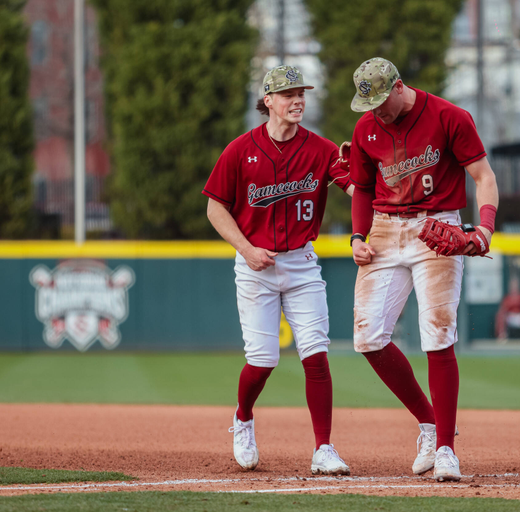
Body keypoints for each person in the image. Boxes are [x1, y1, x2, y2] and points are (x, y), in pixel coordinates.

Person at [343, 57, 499, 482]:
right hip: (384, 229)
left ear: (398, 87)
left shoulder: (449, 117)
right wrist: (358, 237)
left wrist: (483, 227)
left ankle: (446, 449)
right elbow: (362, 190)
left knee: (437, 333)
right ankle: (429, 424)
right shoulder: (366, 129)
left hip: (438, 226)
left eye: (379, 101)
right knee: (368, 337)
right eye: (367, 103)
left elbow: (483, 177)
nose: (375, 111)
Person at [202, 65, 353, 475]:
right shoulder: (239, 150)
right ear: (268, 101)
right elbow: (215, 207)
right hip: (256, 266)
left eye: (301, 93)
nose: (297, 100)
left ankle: (324, 448)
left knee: (316, 355)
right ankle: (244, 418)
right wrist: (247, 249)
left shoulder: (321, 149)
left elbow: (355, 186)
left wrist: (367, 171)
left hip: (302, 262)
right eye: (288, 94)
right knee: (263, 360)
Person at [495, 277, 520, 342]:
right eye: (512, 285)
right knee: (501, 316)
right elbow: (503, 310)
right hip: (510, 318)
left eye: (516, 285)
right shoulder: (507, 298)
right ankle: (502, 335)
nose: (514, 287)